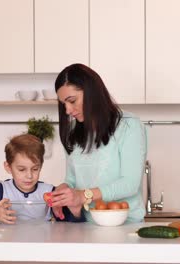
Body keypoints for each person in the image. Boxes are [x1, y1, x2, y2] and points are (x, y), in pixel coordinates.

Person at [50, 63, 147, 223]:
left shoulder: (129, 126)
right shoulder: (73, 131)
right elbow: (72, 179)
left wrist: (84, 195)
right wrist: (63, 190)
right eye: (63, 104)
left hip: (126, 227)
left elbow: (130, 184)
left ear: (91, 92)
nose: (67, 110)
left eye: (72, 100)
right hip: (86, 226)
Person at [0, 134, 60, 224]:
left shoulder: (50, 191)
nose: (29, 176)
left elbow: (68, 217)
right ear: (8, 167)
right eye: (21, 169)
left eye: (35, 169)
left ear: (40, 166)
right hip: (9, 237)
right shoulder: (2, 189)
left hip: (42, 237)